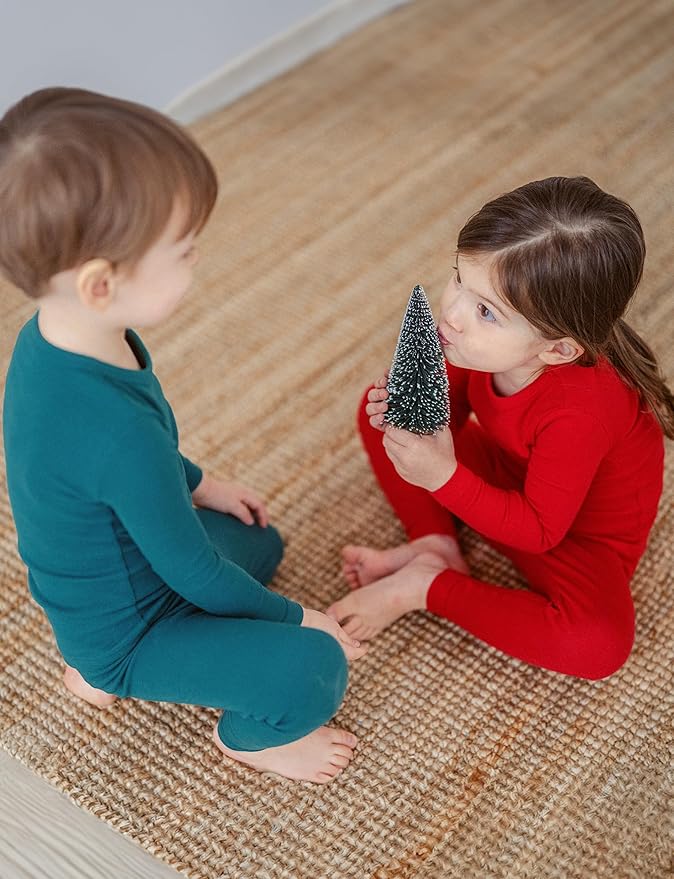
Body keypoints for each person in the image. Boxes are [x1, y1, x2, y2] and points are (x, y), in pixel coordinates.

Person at [1, 87, 367, 785]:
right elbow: (192, 569)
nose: (197, 258)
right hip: (130, 631)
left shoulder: (52, 341)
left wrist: (201, 484)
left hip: (113, 579)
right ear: (101, 284)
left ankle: (99, 659)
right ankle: (246, 738)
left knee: (260, 536)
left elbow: (127, 474)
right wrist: (300, 618)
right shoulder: (112, 429)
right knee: (315, 668)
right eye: (184, 249)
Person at [327, 176, 673, 680]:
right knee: (381, 411)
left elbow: (539, 532)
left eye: (485, 311)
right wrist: (411, 417)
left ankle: (429, 585)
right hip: (508, 472)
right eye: (459, 278)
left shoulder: (583, 411)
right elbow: (446, 411)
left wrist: (441, 476)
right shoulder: (476, 343)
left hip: (573, 537)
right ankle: (435, 546)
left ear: (557, 349)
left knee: (597, 644)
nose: (452, 315)